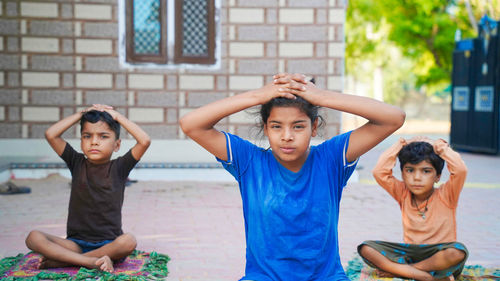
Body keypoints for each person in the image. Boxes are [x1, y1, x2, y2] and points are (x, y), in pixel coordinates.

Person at [180, 73, 405, 280]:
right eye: (276, 126)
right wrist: (258, 96)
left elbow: (393, 118)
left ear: (314, 127)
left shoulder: (331, 159)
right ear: (265, 128)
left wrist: (322, 97)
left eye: (298, 127)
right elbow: (191, 124)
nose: (287, 136)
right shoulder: (250, 161)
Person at [25, 104, 151, 272]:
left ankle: (68, 261)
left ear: (117, 145)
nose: (94, 142)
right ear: (81, 141)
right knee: (33, 237)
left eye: (103, 136)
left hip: (109, 244)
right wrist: (81, 114)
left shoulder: (120, 167)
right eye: (87, 136)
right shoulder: (76, 162)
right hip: (75, 244)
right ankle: (90, 262)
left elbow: (144, 140)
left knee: (128, 241)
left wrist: (117, 116)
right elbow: (51, 134)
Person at [357, 136, 468, 281]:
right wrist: (401, 144)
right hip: (410, 253)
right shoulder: (403, 193)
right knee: (366, 248)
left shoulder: (447, 194)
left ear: (438, 176)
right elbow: (379, 172)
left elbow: (460, 170)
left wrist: (439, 146)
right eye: (410, 170)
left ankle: (406, 271)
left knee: (457, 252)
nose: (417, 178)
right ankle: (426, 276)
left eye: (426, 171)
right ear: (402, 173)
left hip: (439, 254)